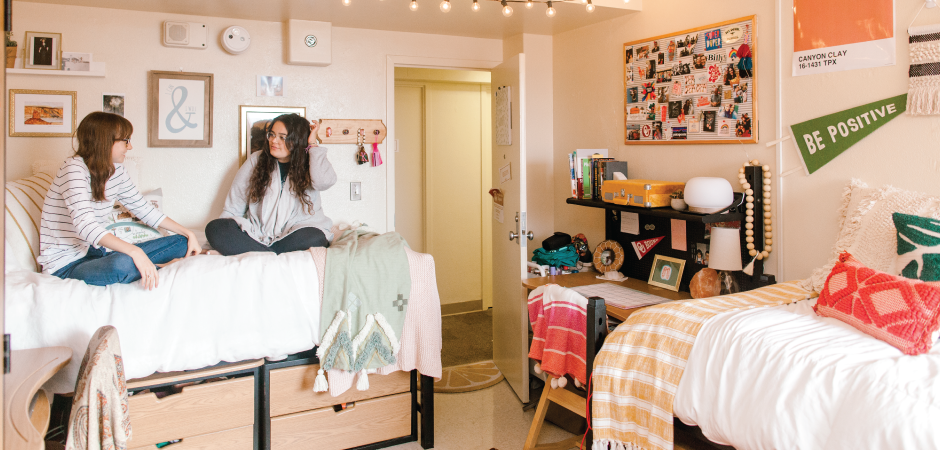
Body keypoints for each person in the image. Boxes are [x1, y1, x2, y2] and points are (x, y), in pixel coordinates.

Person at [38, 112, 201, 289]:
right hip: (66, 265)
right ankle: (161, 267)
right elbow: (86, 226)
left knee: (182, 242)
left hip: (98, 254)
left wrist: (189, 233)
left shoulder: (117, 171)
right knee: (122, 264)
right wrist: (135, 252)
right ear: (105, 141)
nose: (130, 147)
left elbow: (144, 209)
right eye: (126, 140)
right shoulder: (74, 168)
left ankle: (151, 265)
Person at [206, 113, 336, 256]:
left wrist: (312, 145)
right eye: (272, 135)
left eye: (282, 137)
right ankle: (271, 255)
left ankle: (261, 254)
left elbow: (323, 182)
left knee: (316, 237)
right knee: (215, 228)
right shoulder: (256, 160)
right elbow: (233, 207)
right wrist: (217, 239)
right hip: (257, 235)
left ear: (297, 140)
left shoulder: (310, 161)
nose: (274, 140)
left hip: (295, 233)